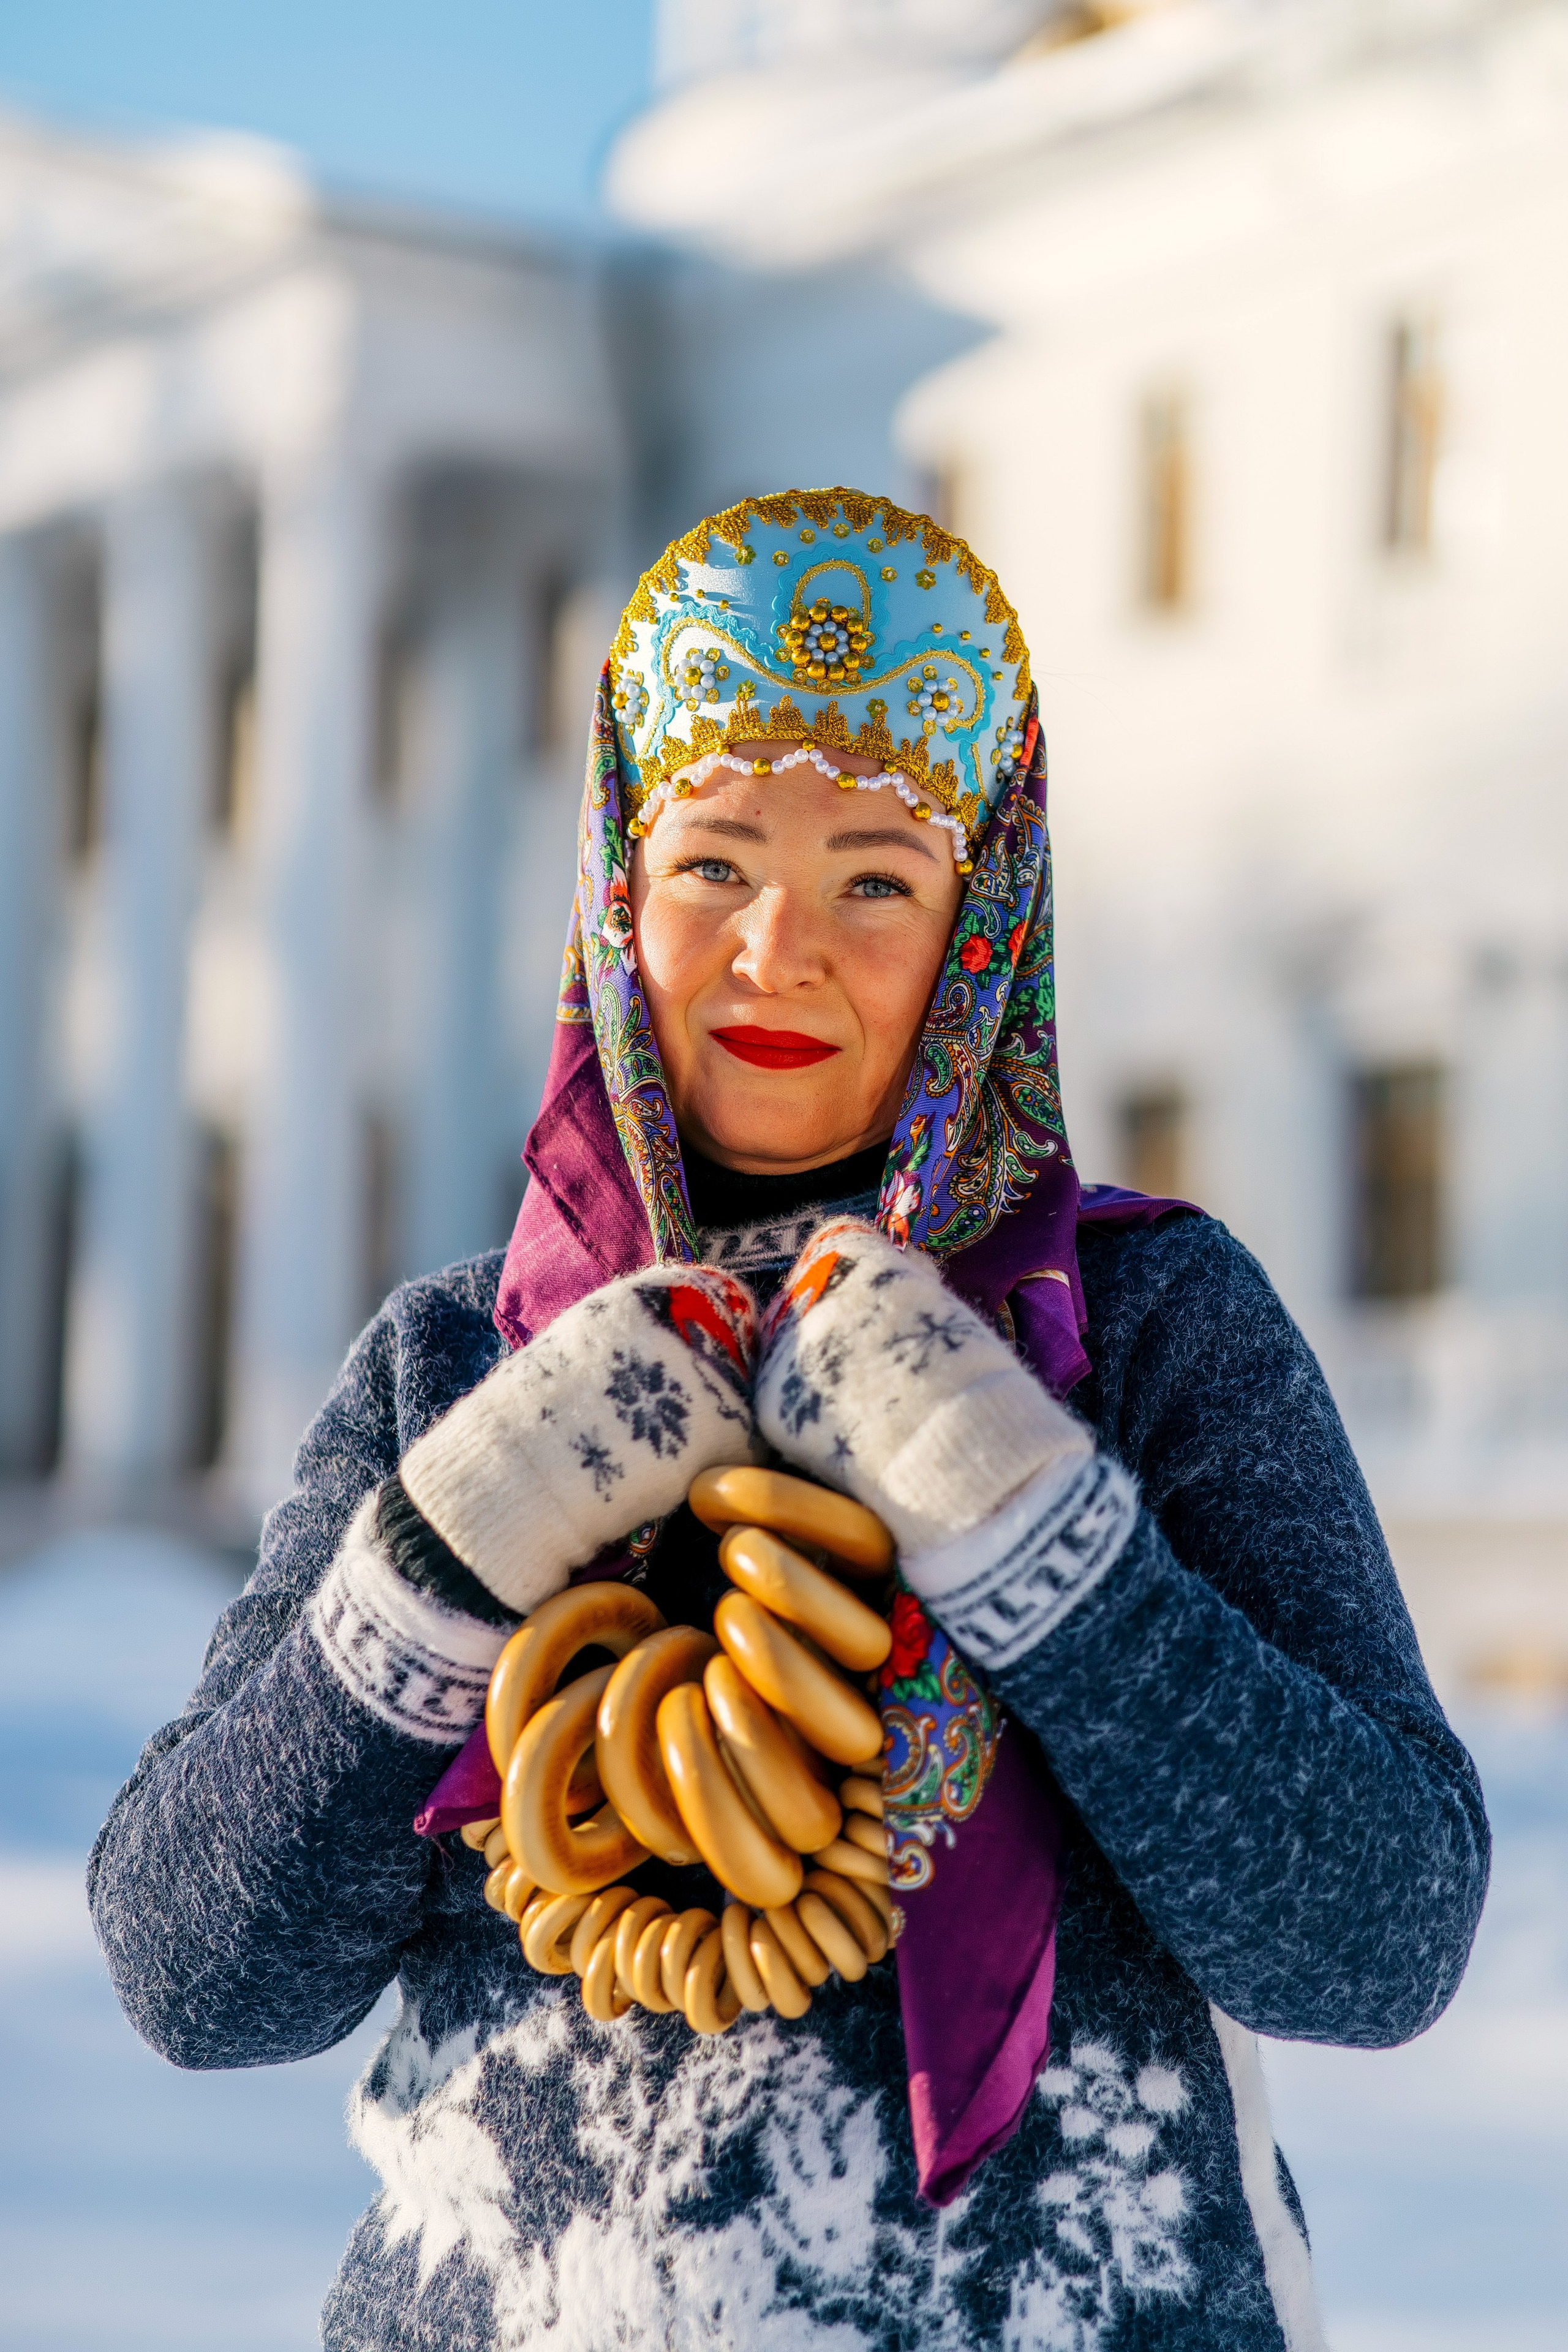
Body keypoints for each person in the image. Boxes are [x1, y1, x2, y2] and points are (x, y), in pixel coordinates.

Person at [91, 487, 1488, 2351]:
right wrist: (456, 1545)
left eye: (878, 881)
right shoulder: (456, 1364)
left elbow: (1377, 1939)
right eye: (716, 865)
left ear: (981, 918)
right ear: (616, 879)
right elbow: (197, 1971)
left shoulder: (1145, 1327)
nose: (778, 953)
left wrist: (1025, 1520)